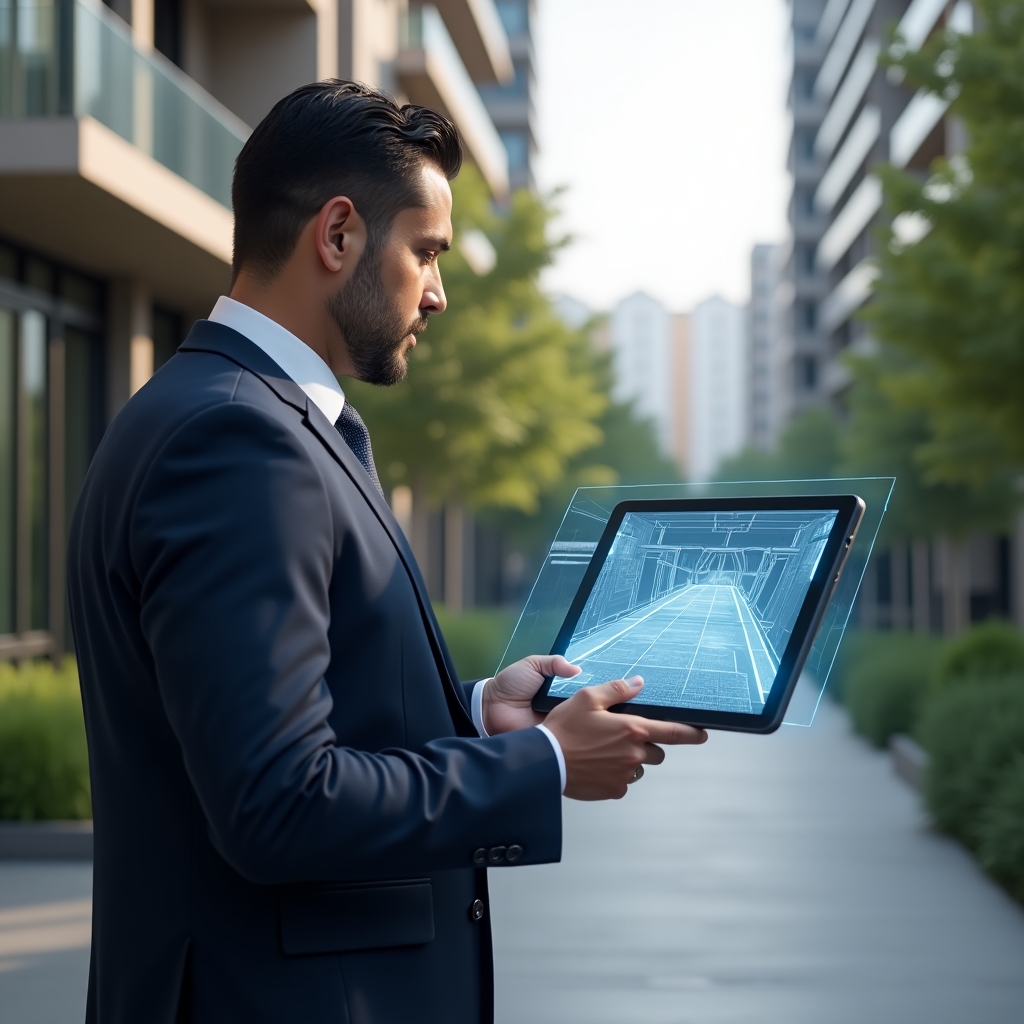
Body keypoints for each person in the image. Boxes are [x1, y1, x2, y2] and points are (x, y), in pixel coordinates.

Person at [67, 81, 707, 1024]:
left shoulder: (224, 415)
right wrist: (544, 767)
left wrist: (482, 714)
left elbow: (285, 729)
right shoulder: (240, 444)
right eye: (427, 252)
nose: (439, 293)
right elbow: (279, 801)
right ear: (338, 236)